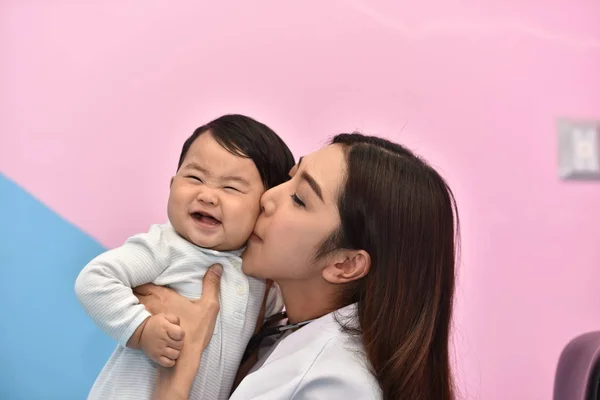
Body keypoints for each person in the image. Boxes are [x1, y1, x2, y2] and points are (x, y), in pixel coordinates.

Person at [136, 133, 460, 400]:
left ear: (345, 263)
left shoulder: (337, 387)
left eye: (300, 199)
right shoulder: (277, 324)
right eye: (289, 179)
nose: (266, 198)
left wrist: (178, 372)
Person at [74, 114, 295, 400]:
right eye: (194, 177)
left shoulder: (258, 274)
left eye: (230, 188)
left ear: (264, 207)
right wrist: (142, 329)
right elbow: (94, 279)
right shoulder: (165, 246)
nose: (207, 195)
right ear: (171, 185)